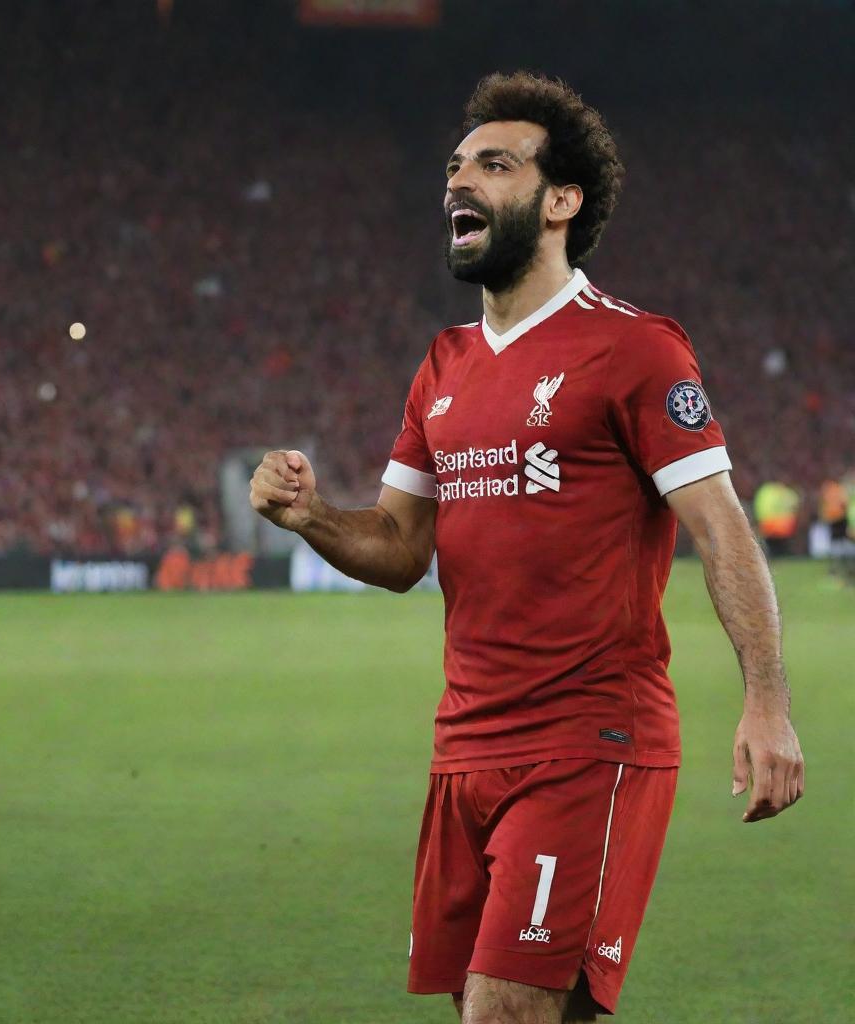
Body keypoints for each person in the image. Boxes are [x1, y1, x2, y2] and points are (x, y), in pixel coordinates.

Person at [249, 72, 804, 1024]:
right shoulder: (444, 365)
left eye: (495, 165)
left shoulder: (635, 351)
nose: (460, 183)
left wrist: (767, 702)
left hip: (589, 740)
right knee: (508, 1006)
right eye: (455, 167)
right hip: (465, 747)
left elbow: (721, 529)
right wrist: (313, 518)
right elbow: (396, 548)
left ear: (561, 201)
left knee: (504, 1011)